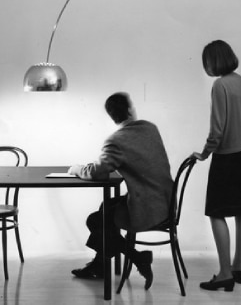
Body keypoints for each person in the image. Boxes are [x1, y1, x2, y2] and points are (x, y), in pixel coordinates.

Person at [69, 92, 173, 290]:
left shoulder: (116, 140)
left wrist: (75, 169)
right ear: (129, 110)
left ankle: (136, 257)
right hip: (165, 202)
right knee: (106, 208)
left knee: (95, 220)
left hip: (147, 208)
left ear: (112, 116)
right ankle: (101, 265)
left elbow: (97, 172)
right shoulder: (150, 128)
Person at [191, 40, 241, 292]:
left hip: (226, 158)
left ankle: (224, 274)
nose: (206, 66)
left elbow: (217, 130)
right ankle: (237, 267)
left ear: (214, 61)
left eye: (207, 61)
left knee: (217, 212)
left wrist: (203, 154)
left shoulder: (220, 85)